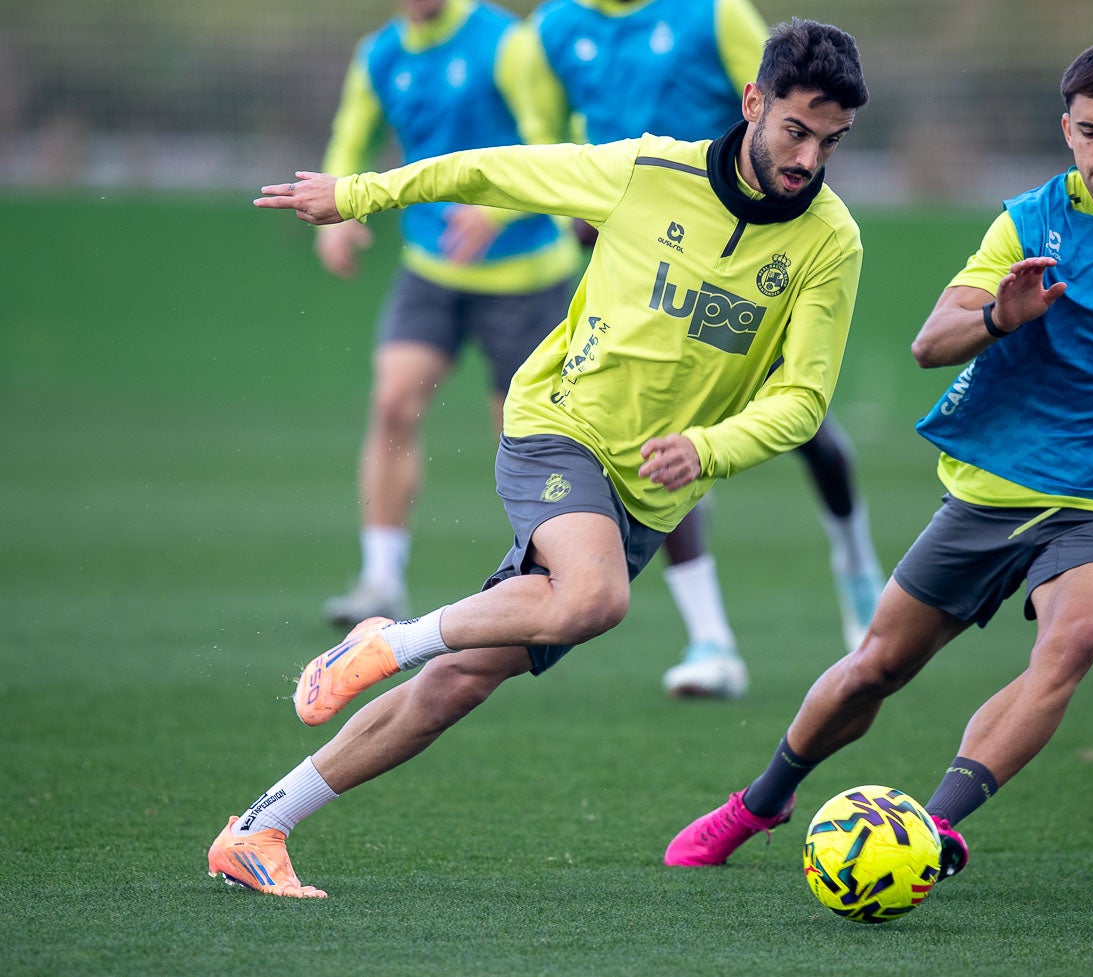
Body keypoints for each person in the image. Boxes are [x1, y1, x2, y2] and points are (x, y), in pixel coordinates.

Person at [663, 37, 1093, 877]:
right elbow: (928, 343)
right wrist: (1001, 316)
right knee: (874, 667)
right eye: (1091, 130)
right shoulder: (1026, 221)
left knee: (1073, 639)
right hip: (992, 491)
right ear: (1065, 129)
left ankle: (933, 827)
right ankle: (759, 801)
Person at [208, 18, 870, 898]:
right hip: (558, 423)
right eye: (795, 131)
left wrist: (708, 446)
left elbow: (802, 400)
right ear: (753, 103)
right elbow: (486, 168)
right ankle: (390, 637)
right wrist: (361, 193)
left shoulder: (830, 240)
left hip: (647, 491)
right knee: (594, 598)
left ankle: (259, 828)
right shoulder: (647, 169)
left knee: (457, 686)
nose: (809, 159)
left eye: (831, 142)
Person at [505, 0, 886, 699]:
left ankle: (857, 566)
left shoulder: (714, 15)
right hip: (642, 230)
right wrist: (579, 200)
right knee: (664, 436)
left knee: (806, 427)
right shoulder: (554, 27)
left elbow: (783, 112)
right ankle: (709, 637)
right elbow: (537, 122)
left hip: (743, 243)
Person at [315, 0, 581, 627]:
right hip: (431, 266)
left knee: (521, 437)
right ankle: (380, 581)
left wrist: (498, 208)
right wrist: (337, 216)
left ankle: (549, 589)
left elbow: (555, 142)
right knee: (392, 403)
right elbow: (348, 140)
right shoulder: (380, 54)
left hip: (527, 273)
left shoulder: (507, 44)